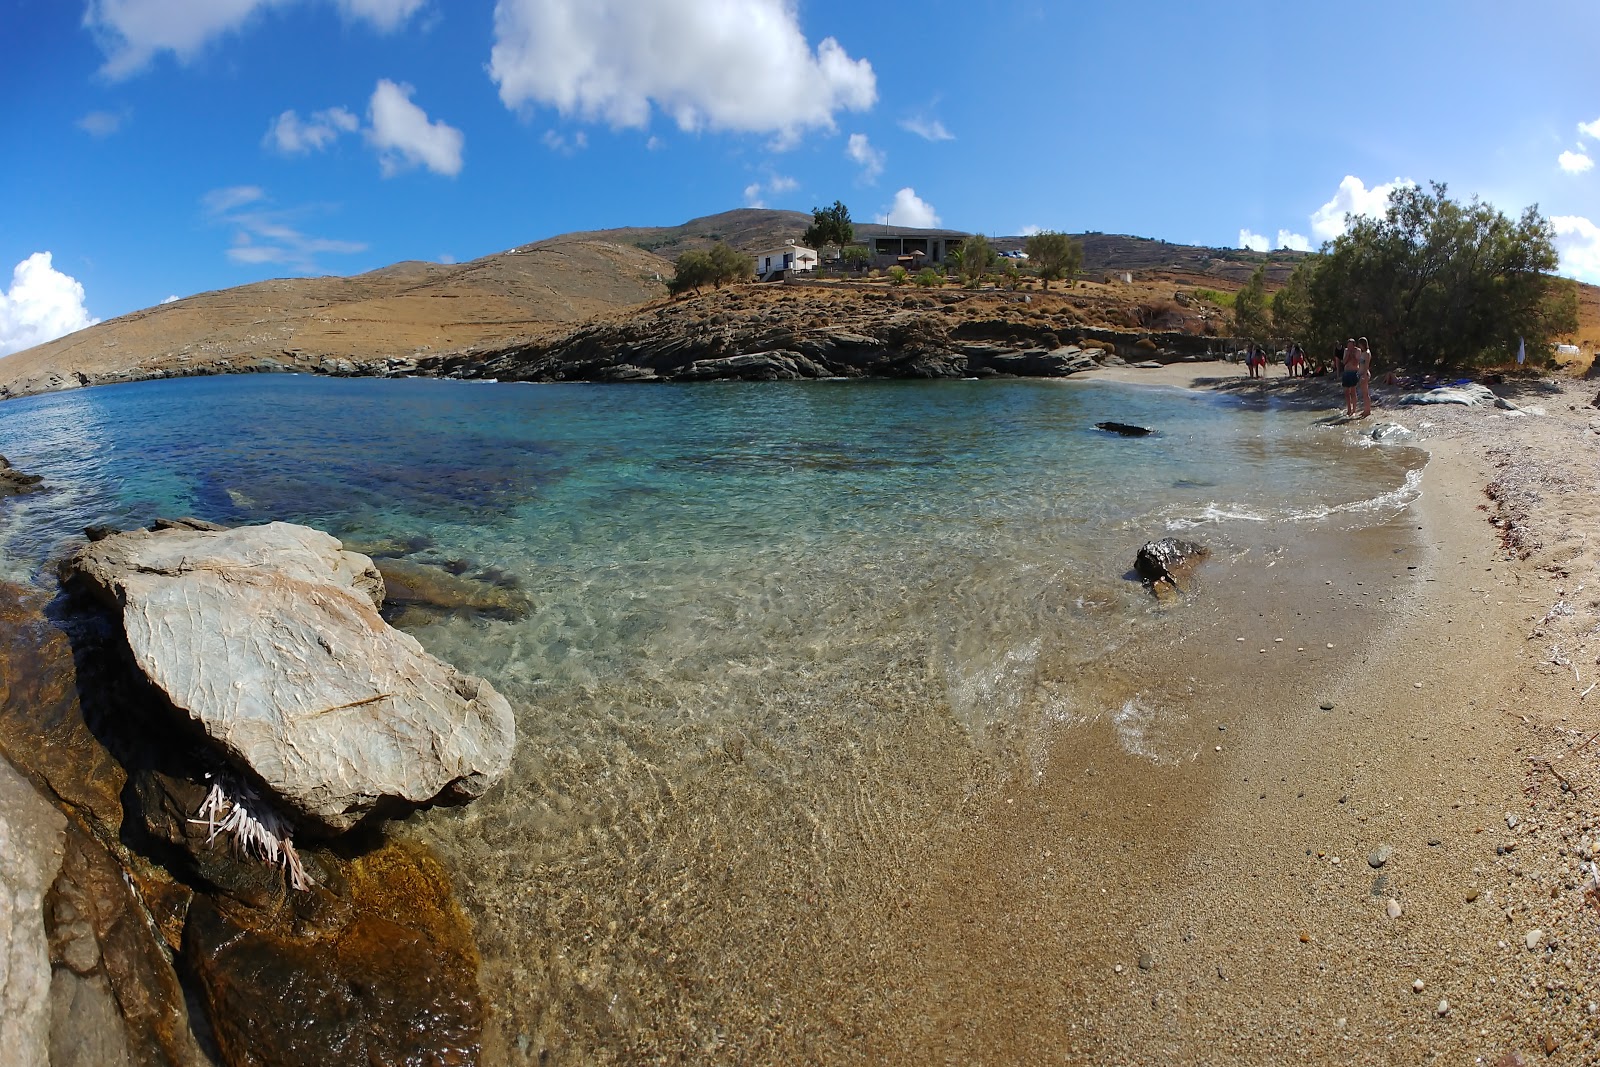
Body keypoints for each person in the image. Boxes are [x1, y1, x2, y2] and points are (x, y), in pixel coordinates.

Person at [1341, 337, 1362, 417]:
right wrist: (1348, 355)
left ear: (1354, 345)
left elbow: (1356, 362)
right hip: (1346, 372)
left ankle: (1354, 410)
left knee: (1353, 391)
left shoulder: (1358, 350)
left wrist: (1352, 355)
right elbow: (1344, 362)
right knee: (1346, 391)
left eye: (1350, 345)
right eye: (1348, 345)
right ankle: (1349, 409)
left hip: (1354, 372)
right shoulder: (1346, 351)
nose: (1349, 347)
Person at [1357, 336, 1374, 417]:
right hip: (1360, 373)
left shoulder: (1367, 353)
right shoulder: (1362, 352)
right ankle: (1365, 409)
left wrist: (1364, 375)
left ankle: (1368, 411)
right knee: (1364, 393)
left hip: (1364, 374)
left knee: (1365, 393)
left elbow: (1366, 365)